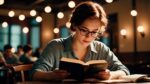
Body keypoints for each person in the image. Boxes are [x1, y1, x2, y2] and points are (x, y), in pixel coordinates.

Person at [30, 1, 130, 81]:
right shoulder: (56, 46)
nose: (89, 36)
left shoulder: (101, 48)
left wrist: (111, 75)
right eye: (84, 30)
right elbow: (33, 74)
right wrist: (52, 75)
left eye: (94, 32)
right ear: (74, 25)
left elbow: (124, 70)